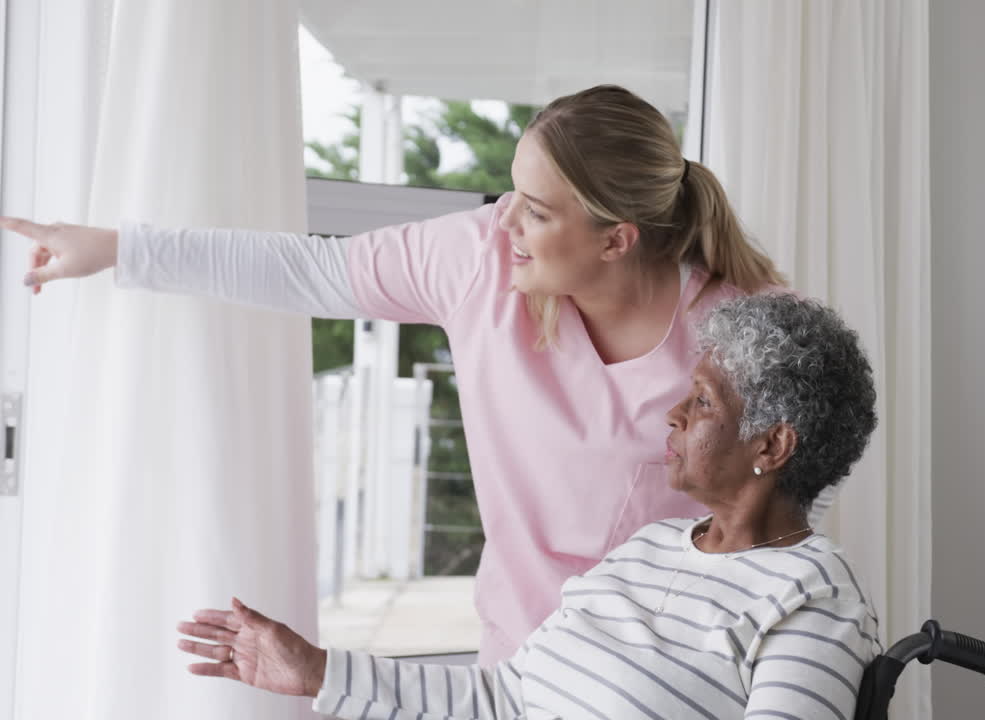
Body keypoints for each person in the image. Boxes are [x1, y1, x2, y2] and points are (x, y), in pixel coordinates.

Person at [0, 85, 849, 665]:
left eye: (538, 210)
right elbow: (308, 272)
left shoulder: (745, 330)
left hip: (672, 674)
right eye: (510, 192)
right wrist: (116, 249)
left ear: (616, 238)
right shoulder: (476, 261)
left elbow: (782, 516)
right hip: (519, 664)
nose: (504, 220)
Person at [177, 294, 881, 720]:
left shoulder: (810, 596)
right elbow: (504, 701)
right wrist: (317, 671)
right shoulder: (651, 547)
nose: (673, 414)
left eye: (701, 402)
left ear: (773, 444)